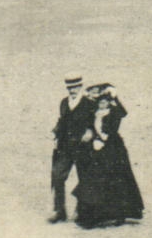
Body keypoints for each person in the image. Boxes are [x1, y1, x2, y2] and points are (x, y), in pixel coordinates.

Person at [72, 84, 143, 229]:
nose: (102, 104)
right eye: (100, 102)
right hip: (98, 149)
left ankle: (119, 214)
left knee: (117, 180)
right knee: (95, 180)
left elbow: (123, 113)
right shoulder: (95, 113)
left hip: (114, 150)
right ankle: (92, 216)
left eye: (105, 101)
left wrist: (115, 97)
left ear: (109, 102)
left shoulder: (113, 112)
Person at [48, 73, 90, 223]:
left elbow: (95, 120)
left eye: (75, 87)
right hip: (65, 146)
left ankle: (81, 211)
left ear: (80, 86)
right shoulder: (64, 103)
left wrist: (90, 131)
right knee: (57, 175)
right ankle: (59, 211)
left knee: (85, 178)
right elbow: (62, 121)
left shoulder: (88, 102)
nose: (72, 91)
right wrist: (55, 131)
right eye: (69, 88)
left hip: (83, 147)